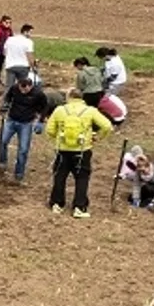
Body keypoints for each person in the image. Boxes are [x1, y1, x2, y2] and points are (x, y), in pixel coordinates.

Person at [47, 89, 114, 218]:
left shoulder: (60, 110)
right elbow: (107, 126)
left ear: (69, 97)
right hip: (83, 150)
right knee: (82, 178)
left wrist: (59, 138)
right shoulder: (90, 111)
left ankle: (57, 203)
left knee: (60, 176)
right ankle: (79, 207)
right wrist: (97, 137)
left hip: (63, 150)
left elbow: (49, 130)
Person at [0, 75, 45, 182]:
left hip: (26, 123)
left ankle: (19, 172)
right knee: (3, 141)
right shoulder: (15, 88)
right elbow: (8, 97)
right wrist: (5, 105)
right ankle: (2, 162)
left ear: (30, 86)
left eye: (25, 89)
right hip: (11, 120)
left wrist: (40, 121)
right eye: (21, 89)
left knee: (23, 149)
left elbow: (45, 107)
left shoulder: (38, 94)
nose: (23, 92)